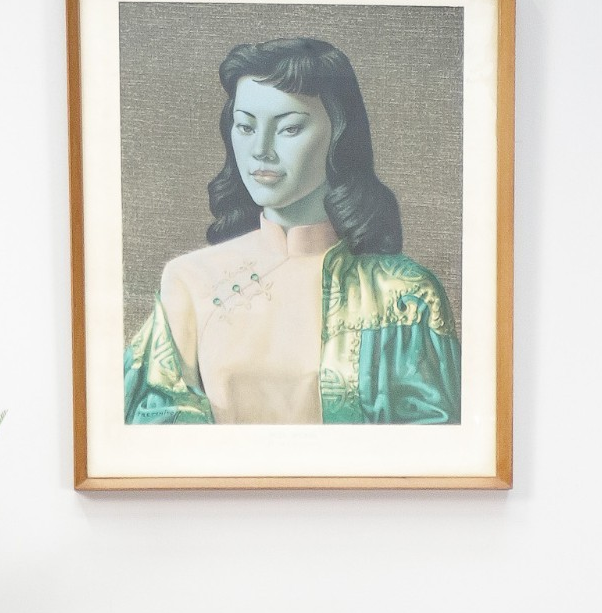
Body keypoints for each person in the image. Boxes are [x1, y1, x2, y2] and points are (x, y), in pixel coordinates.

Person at [124, 36, 462, 427]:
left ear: (339, 133)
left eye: (288, 129)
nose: (261, 150)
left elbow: (437, 444)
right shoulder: (188, 280)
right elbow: (151, 428)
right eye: (245, 127)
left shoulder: (404, 294)